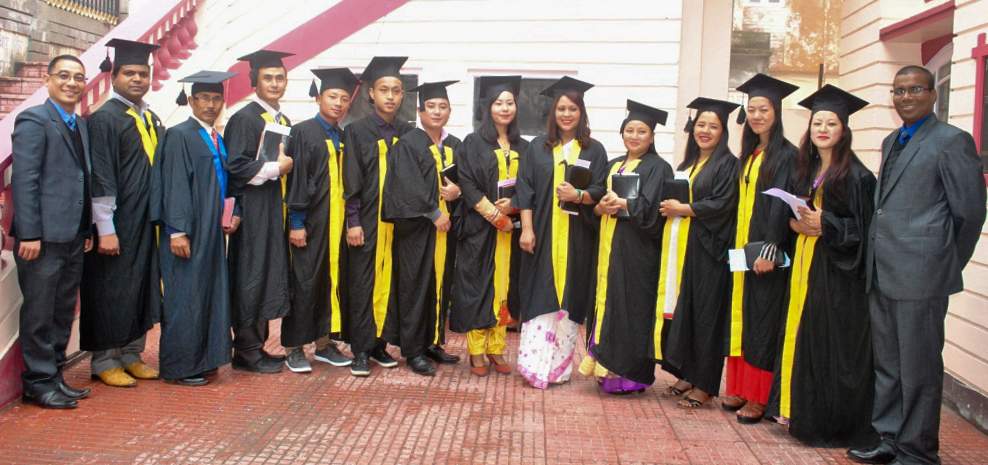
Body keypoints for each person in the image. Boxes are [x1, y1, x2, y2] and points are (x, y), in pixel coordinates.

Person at [848, 66, 986, 465]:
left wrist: (943, 264)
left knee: (920, 369)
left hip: (922, 277)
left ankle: (918, 451)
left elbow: (969, 214)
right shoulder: (893, 140)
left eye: (915, 90)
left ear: (932, 95)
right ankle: (889, 438)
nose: (906, 97)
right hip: (884, 273)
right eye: (899, 91)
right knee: (888, 364)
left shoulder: (952, 141)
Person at [766, 84, 877, 447]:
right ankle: (796, 410)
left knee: (825, 343)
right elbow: (796, 218)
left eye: (831, 123)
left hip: (836, 277)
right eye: (817, 123)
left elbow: (865, 232)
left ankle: (828, 423)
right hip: (804, 266)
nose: (823, 129)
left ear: (844, 130)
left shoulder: (857, 177)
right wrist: (797, 223)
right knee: (800, 336)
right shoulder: (808, 169)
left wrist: (824, 224)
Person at [11, 55, 95, 409]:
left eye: (78, 77)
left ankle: (55, 374)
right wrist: (29, 233)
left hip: (73, 235)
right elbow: (25, 181)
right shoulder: (34, 120)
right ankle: (38, 382)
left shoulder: (80, 124)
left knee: (62, 310)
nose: (72, 83)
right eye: (64, 76)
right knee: (39, 313)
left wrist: (87, 225)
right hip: (42, 239)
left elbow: (82, 179)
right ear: (47, 80)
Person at [514, 76, 608, 389]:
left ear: (581, 112)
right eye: (561, 108)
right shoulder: (537, 148)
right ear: (553, 112)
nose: (566, 114)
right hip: (541, 235)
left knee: (569, 299)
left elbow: (600, 189)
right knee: (540, 295)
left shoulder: (594, 150)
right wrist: (526, 229)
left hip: (578, 237)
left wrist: (578, 196)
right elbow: (524, 190)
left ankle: (559, 369)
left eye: (573, 109)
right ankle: (534, 366)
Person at [81, 39, 163, 388]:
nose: (137, 79)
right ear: (114, 75)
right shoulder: (104, 119)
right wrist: (106, 226)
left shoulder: (149, 117)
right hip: (118, 221)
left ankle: (132, 353)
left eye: (143, 73)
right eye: (129, 72)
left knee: (141, 286)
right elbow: (101, 174)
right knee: (111, 287)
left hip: (146, 220)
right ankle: (105, 358)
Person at [150, 71, 239, 386]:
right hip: (188, 231)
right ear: (191, 101)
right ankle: (180, 367)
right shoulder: (179, 135)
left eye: (216, 99)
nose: (211, 104)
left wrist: (231, 213)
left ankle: (205, 358)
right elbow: (174, 184)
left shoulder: (216, 137)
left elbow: (225, 182)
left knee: (207, 294)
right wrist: (177, 230)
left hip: (212, 230)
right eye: (204, 98)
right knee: (184, 296)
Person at [579, 100, 671, 394]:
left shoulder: (659, 167)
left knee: (631, 308)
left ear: (652, 136)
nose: (634, 136)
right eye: (629, 130)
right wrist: (600, 209)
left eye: (641, 131)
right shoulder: (614, 164)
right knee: (607, 305)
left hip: (637, 254)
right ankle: (604, 368)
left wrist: (625, 204)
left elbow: (656, 211)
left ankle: (629, 376)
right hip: (608, 248)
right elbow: (595, 202)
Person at [723, 73, 799, 423]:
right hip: (743, 249)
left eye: (763, 109)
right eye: (751, 109)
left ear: (777, 112)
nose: (756, 115)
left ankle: (760, 396)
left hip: (766, 253)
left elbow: (782, 204)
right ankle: (739, 386)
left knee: (764, 320)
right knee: (743, 315)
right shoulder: (751, 153)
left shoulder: (785, 155)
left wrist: (771, 249)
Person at [659, 97, 740, 407]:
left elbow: (723, 205)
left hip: (710, 252)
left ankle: (705, 384)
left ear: (723, 132)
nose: (705, 131)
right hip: (685, 250)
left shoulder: (727, 164)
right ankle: (688, 374)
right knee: (688, 313)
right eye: (701, 125)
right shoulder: (688, 164)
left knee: (707, 316)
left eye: (713, 126)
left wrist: (685, 208)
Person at [280, 68, 359, 372]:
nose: (338, 103)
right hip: (310, 224)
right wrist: (296, 223)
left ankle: (324, 344)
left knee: (329, 282)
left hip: (336, 225)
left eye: (343, 98)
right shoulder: (302, 132)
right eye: (332, 96)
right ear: (318, 97)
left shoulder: (342, 135)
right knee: (304, 283)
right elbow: (298, 180)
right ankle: (294, 347)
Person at [382, 80, 463, 376]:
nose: (437, 112)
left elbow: (462, 180)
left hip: (445, 232)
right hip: (417, 231)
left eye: (443, 107)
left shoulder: (454, 145)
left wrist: (458, 192)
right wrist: (433, 212)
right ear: (420, 111)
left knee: (439, 283)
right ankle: (413, 349)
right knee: (415, 286)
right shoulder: (409, 143)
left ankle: (432, 341)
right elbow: (403, 185)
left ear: (450, 110)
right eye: (431, 107)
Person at [450, 75, 528, 377]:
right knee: (477, 287)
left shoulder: (525, 145)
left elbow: (531, 183)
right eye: (499, 103)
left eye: (510, 103)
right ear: (488, 107)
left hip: (512, 229)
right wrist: (496, 216)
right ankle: (477, 351)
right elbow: (466, 183)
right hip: (480, 229)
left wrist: (516, 206)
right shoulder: (473, 142)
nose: (505, 108)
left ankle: (497, 348)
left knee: (505, 287)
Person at [225, 50, 295, 374]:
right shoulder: (244, 119)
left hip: (273, 210)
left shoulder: (282, 121)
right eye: (268, 78)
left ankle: (260, 346)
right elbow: (235, 167)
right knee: (250, 278)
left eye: (280, 78)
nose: (275, 83)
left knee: (268, 277)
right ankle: (246, 351)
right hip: (252, 212)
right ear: (254, 81)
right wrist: (275, 168)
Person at [342, 56, 412, 376]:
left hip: (398, 222)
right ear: (371, 93)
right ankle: (360, 349)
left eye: (396, 90)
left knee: (392, 282)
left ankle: (380, 343)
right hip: (367, 220)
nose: (390, 96)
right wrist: (353, 221)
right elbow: (351, 178)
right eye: (384, 89)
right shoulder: (357, 131)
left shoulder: (408, 132)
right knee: (362, 283)